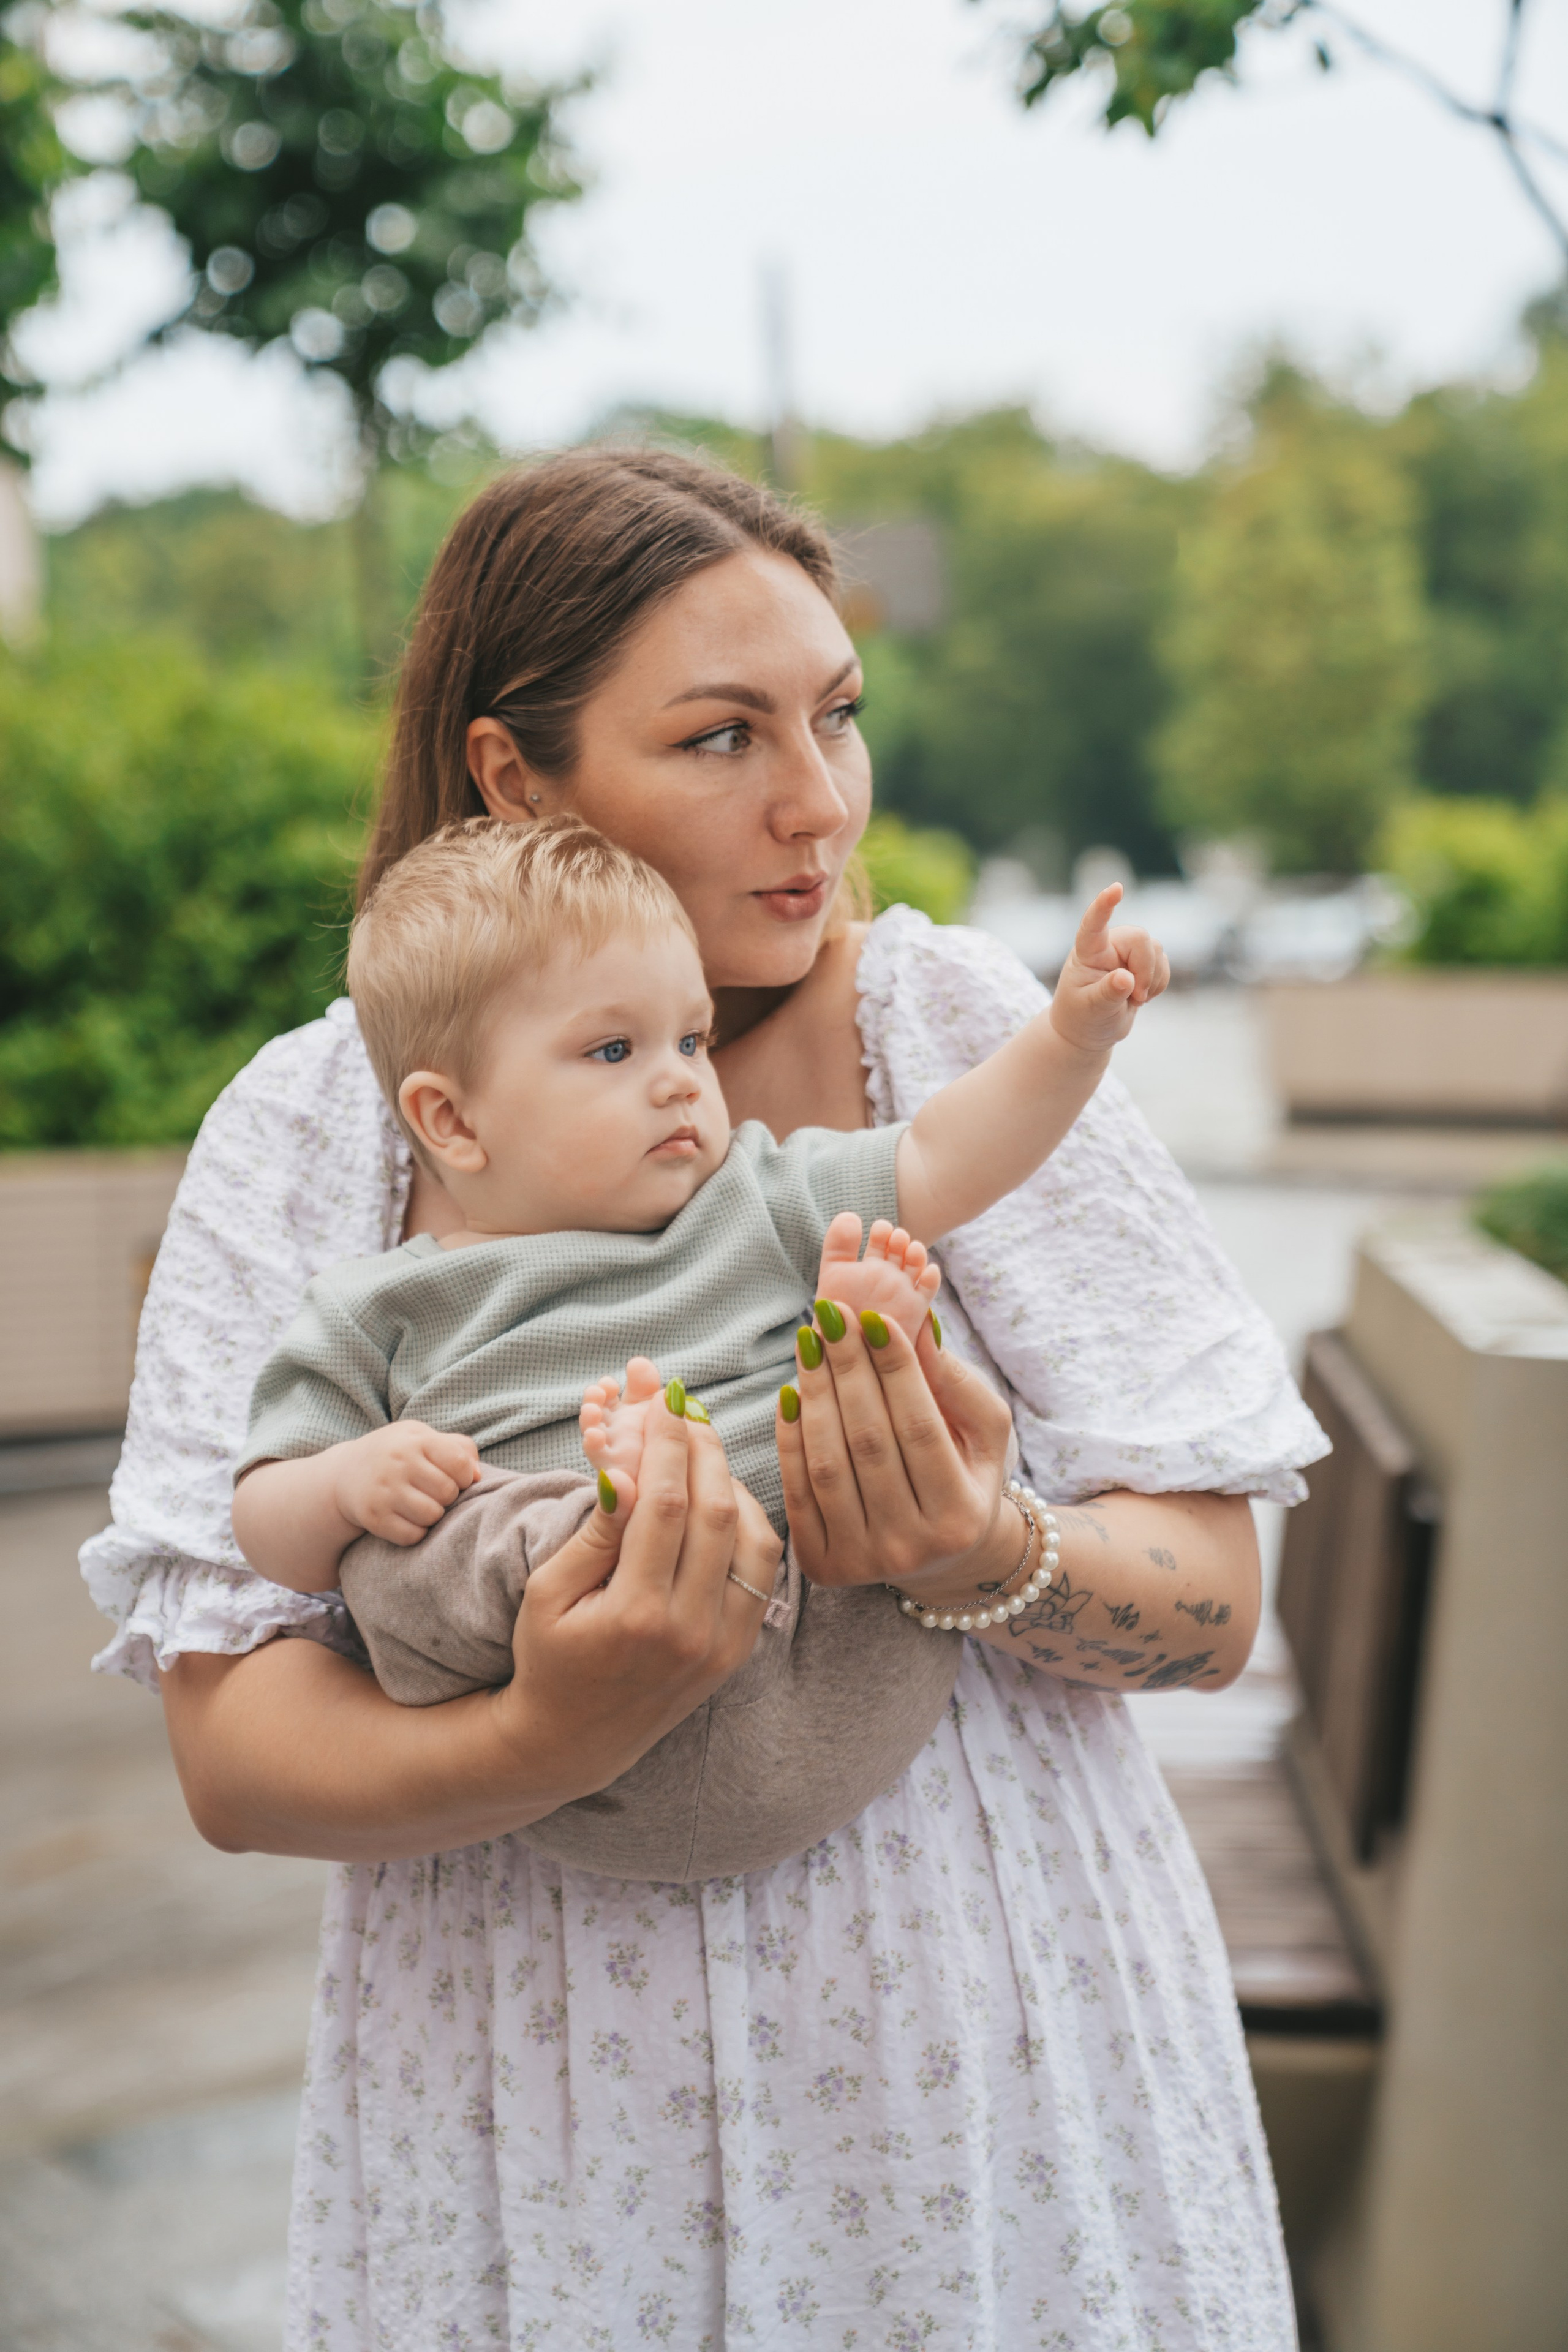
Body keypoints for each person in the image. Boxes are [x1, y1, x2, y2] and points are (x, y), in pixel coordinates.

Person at [82, 445, 1325, 2347]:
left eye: (836, 714)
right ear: (516, 773)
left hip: (985, 2064)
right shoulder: (319, 1127)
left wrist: (983, 1550)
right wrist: (548, 1735)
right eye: (721, 737)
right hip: (536, 2091)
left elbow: (1217, 1604)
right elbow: (235, 1749)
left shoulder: (944, 1034)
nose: (815, 802)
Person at [228, 813, 1169, 1881]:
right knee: (405, 1555)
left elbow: (947, 1153)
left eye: (693, 1040)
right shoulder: (379, 1307)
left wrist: (1071, 1038)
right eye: (614, 1050)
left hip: (817, 1650)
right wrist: (349, 1483)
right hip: (570, 1675)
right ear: (451, 1121)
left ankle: (845, 1360)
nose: (680, 1079)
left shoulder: (752, 1200)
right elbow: (267, 1520)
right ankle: (630, 1509)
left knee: (864, 1450)